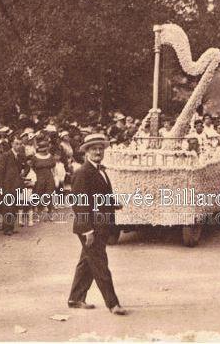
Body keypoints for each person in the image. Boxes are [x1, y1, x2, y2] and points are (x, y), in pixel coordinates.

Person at [68, 133, 126, 315]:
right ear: (86, 152)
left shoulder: (100, 170)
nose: (98, 151)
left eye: (100, 148)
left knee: (87, 262)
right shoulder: (82, 173)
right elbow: (80, 203)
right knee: (100, 264)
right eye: (93, 148)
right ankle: (113, 304)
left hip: (100, 225)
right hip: (90, 227)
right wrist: (88, 231)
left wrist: (112, 203)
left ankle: (75, 298)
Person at [0, 135, 25, 236]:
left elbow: (23, 167)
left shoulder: (20, 156)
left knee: (14, 206)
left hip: (16, 184)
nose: (18, 146)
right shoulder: (6, 155)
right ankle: (6, 228)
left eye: (20, 144)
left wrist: (22, 173)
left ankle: (11, 226)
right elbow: (0, 171)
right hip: (7, 184)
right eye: (16, 144)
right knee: (8, 206)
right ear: (12, 144)